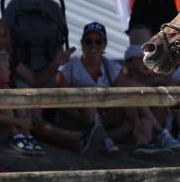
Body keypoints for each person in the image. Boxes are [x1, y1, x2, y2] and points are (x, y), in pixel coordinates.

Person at [55, 22, 143, 155]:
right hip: (77, 119)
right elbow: (60, 97)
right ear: (82, 44)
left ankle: (100, 139)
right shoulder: (70, 66)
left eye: (98, 41)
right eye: (89, 41)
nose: (93, 46)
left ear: (105, 45)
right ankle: (102, 139)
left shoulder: (112, 66)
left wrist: (136, 122)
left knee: (139, 122)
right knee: (89, 102)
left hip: (108, 118)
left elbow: (126, 96)